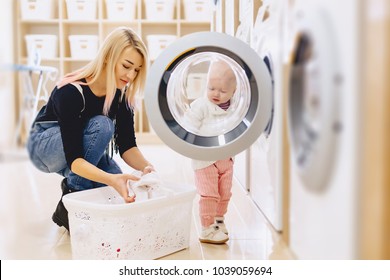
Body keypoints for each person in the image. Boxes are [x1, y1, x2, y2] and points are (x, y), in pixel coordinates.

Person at [27, 26, 155, 231]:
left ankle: (76, 204)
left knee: (117, 193)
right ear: (107, 58)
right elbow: (75, 159)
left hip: (80, 149)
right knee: (103, 126)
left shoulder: (122, 95)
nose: (131, 75)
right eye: (126, 66)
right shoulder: (70, 91)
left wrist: (148, 169)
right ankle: (70, 202)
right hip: (44, 147)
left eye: (137, 70)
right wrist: (110, 179)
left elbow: (128, 147)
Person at [183, 59, 237, 244]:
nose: (215, 94)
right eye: (211, 88)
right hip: (204, 159)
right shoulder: (201, 105)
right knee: (209, 194)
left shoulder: (237, 106)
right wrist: (190, 144)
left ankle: (218, 221)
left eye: (222, 91)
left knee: (225, 193)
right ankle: (207, 228)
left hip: (226, 158)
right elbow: (188, 126)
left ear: (234, 91)